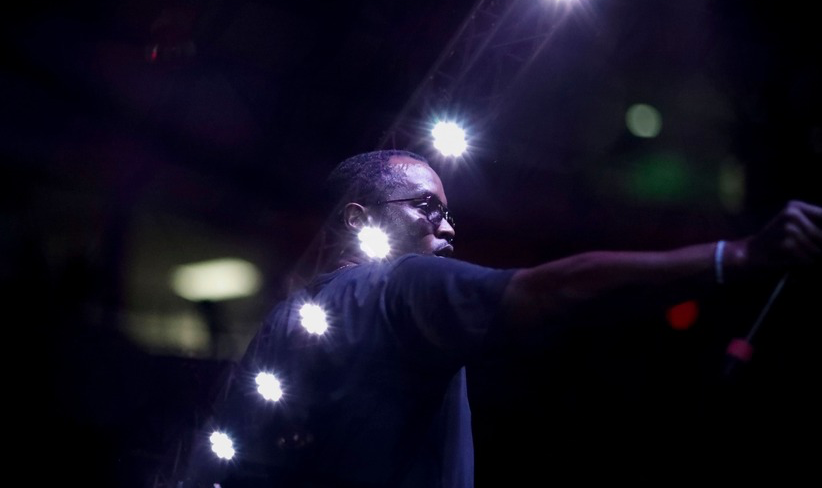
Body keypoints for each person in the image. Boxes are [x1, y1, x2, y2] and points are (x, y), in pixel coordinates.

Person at [174, 149, 821, 487]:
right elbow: (556, 288)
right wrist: (735, 256)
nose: (448, 227)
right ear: (358, 218)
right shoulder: (400, 284)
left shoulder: (278, 327)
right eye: (427, 207)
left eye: (448, 212)